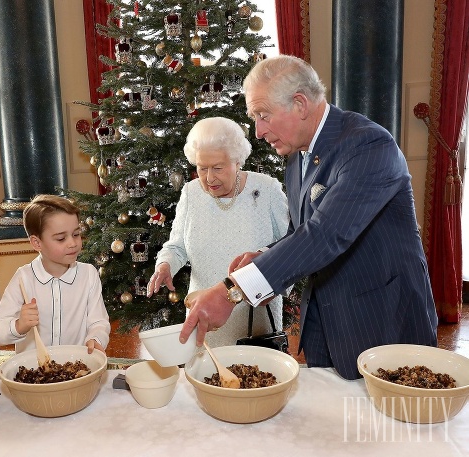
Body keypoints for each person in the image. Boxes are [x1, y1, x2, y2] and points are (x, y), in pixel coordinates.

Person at [179, 55, 438, 380]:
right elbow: (301, 232)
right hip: (326, 324)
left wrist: (232, 291)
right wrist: (266, 255)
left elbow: (325, 235)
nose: (257, 132)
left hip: (383, 320)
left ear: (300, 104)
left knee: (385, 428)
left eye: (263, 115)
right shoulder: (297, 155)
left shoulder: (369, 146)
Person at [146, 117, 289, 347]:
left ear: (237, 161)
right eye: (202, 168)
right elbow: (177, 246)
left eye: (218, 168)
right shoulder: (191, 193)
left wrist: (273, 283)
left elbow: (290, 249)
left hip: (255, 322)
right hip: (204, 318)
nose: (209, 178)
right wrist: (165, 265)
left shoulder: (267, 189)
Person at [0, 194, 110, 354]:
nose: (73, 243)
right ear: (36, 243)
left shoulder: (88, 274)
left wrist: (96, 338)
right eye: (61, 238)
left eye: (76, 234)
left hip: (75, 367)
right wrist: (19, 325)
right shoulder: (23, 278)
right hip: (34, 373)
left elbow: (99, 322)